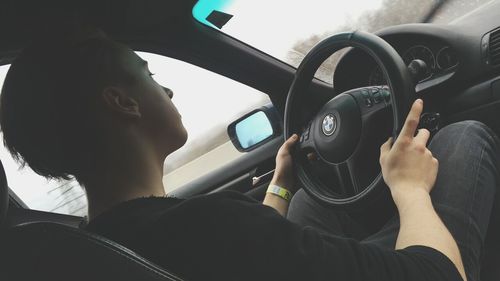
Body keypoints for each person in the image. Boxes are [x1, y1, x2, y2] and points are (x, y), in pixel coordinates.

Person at [0, 27, 497, 281]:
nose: (167, 91)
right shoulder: (208, 228)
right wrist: (408, 189)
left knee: (310, 204)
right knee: (462, 138)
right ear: (123, 102)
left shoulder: (102, 249)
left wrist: (282, 181)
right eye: (150, 76)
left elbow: (246, 253)